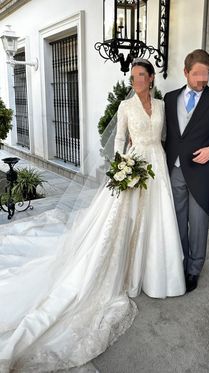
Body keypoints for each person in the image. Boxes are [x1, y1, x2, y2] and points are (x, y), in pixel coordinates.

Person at [0, 58, 185, 372]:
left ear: (151, 78)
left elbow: (165, 137)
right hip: (135, 165)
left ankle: (155, 274)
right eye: (132, 76)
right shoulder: (126, 107)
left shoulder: (161, 105)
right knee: (122, 222)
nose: (135, 80)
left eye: (141, 75)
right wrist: (121, 168)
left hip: (158, 166)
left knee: (157, 222)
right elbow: (119, 140)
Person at [164, 49, 209, 293]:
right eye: (196, 74)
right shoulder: (169, 98)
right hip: (173, 169)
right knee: (176, 220)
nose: (201, 80)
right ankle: (180, 262)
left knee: (197, 224)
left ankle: (194, 269)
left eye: (206, 74)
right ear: (185, 72)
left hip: (202, 173)